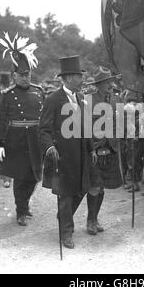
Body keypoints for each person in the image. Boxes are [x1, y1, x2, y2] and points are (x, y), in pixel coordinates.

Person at [40, 55, 96, 249]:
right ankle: (66, 233)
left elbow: (85, 127)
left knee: (81, 190)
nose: (82, 80)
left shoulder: (81, 99)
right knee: (65, 195)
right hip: (62, 156)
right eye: (80, 76)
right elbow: (44, 129)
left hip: (81, 155)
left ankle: (63, 218)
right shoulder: (53, 100)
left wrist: (91, 149)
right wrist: (49, 147)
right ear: (70, 77)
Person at [0, 32, 43, 226]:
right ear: (14, 76)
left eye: (27, 74)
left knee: (35, 176)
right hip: (16, 140)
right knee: (21, 177)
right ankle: (21, 209)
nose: (25, 78)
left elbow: (44, 119)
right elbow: (0, 120)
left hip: (35, 139)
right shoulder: (8, 95)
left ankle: (24, 203)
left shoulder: (38, 92)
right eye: (21, 75)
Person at [85, 66, 123, 234]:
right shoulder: (87, 100)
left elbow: (121, 124)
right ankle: (90, 220)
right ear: (98, 84)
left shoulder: (117, 100)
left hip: (111, 148)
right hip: (94, 148)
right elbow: (83, 127)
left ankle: (95, 217)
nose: (110, 85)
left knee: (102, 187)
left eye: (110, 81)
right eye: (106, 82)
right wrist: (89, 147)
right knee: (95, 186)